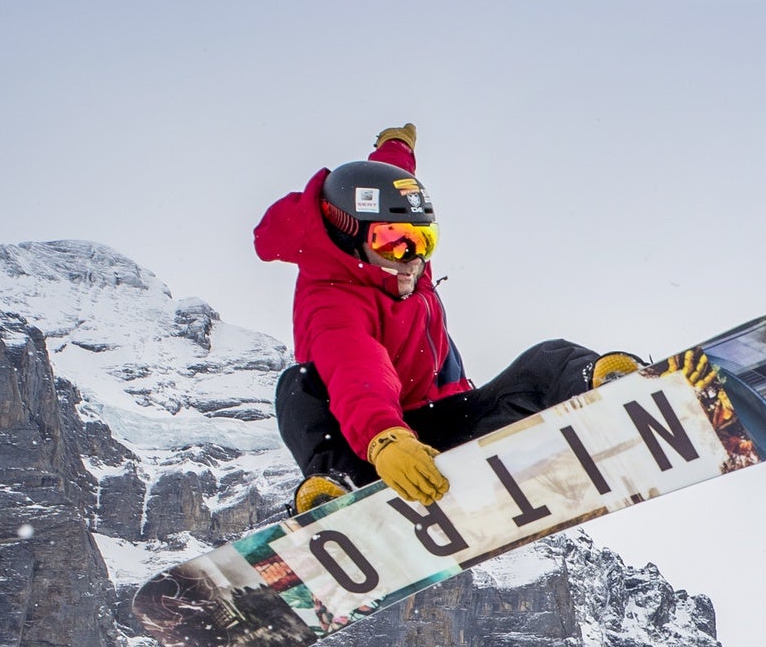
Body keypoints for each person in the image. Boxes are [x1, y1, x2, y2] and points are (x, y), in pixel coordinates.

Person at [252, 125, 642, 517]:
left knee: (550, 358)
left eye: (423, 241)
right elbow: (358, 370)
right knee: (297, 388)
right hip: (373, 451)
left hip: (442, 429)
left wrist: (396, 146)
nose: (411, 257)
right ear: (348, 235)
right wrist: (385, 440)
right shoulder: (331, 302)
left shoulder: (396, 263)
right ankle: (337, 490)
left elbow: (390, 177)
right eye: (395, 240)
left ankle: (613, 392)